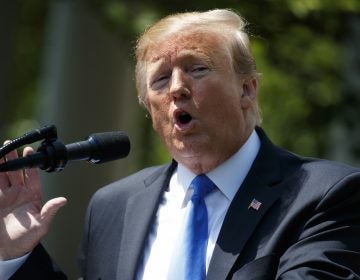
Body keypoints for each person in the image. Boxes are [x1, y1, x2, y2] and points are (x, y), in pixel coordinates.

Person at [1, 8, 360, 280]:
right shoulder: (113, 206)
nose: (176, 88)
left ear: (247, 89)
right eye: (159, 80)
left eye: (198, 69)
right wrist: (17, 253)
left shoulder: (325, 194)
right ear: (150, 110)